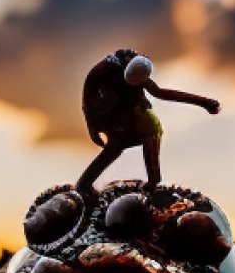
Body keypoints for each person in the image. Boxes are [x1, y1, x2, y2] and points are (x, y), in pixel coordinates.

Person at [77, 49, 220, 199]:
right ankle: (86, 183)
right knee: (128, 141)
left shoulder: (137, 67)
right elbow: (87, 101)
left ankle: (152, 181)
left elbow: (158, 92)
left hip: (131, 112)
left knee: (146, 133)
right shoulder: (102, 72)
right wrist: (92, 126)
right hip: (113, 115)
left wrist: (204, 102)